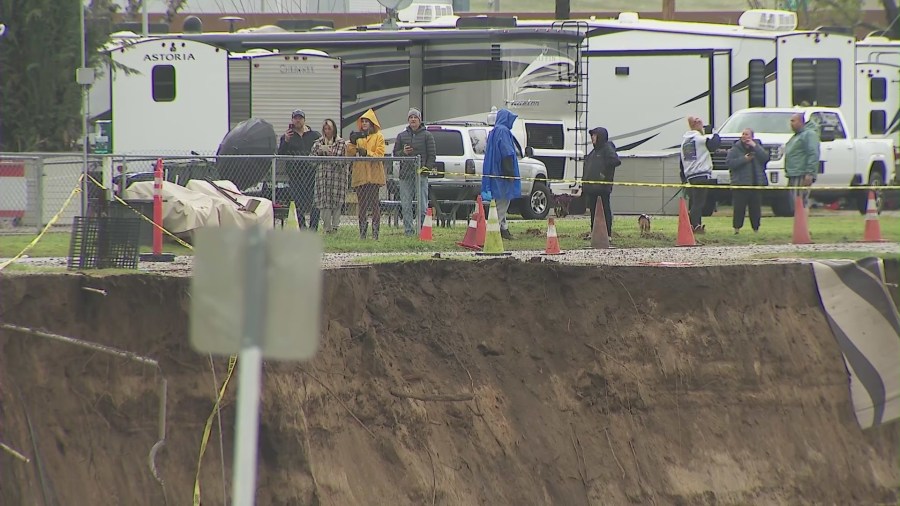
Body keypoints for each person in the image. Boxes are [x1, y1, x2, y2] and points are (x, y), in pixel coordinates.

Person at [393, 108, 436, 236]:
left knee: (422, 206)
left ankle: (423, 231)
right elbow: (395, 154)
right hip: (405, 176)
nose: (413, 119)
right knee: (406, 205)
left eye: (415, 117)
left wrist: (425, 170)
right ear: (408, 120)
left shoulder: (427, 135)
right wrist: (404, 153)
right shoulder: (402, 136)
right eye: (410, 117)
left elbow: (432, 155)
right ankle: (409, 232)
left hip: (421, 175)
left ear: (419, 120)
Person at [482, 108, 522, 241]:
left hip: (495, 172)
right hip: (502, 174)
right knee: (503, 202)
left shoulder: (494, 131)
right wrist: (509, 173)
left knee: (500, 201)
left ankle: (503, 228)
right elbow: (507, 153)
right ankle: (494, 230)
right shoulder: (504, 131)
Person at [278, 109, 321, 230]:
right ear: (292, 120)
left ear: (304, 120)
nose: (298, 120)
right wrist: (285, 141)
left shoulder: (315, 135)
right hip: (295, 175)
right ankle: (302, 227)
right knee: (297, 202)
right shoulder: (287, 136)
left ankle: (313, 228)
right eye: (295, 118)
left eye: (300, 118)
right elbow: (280, 154)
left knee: (315, 202)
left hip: (312, 173)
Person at [347, 109, 386, 240]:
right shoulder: (359, 137)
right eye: (362, 121)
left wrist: (367, 153)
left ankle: (375, 234)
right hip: (360, 174)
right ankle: (362, 234)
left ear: (372, 123)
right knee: (362, 204)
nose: (364, 123)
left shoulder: (379, 136)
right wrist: (352, 142)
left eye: (366, 121)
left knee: (374, 204)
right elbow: (350, 153)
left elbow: (380, 154)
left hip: (374, 175)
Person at [679, 116, 721, 233]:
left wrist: (683, 178)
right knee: (699, 203)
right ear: (697, 125)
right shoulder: (699, 139)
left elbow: (682, 162)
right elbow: (714, 145)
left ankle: (694, 224)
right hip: (701, 174)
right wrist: (716, 133)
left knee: (694, 202)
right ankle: (695, 226)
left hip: (691, 176)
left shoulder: (685, 141)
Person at [726, 128, 769, 234]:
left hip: (755, 183)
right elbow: (730, 163)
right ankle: (737, 229)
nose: (745, 137)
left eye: (747, 135)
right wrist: (744, 159)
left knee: (755, 209)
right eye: (743, 134)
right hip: (740, 184)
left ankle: (756, 229)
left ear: (752, 137)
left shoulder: (757, 147)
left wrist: (755, 146)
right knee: (739, 209)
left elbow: (765, 158)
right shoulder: (735, 149)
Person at [310, 119, 350, 234]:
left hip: (338, 178)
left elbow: (342, 161)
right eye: (325, 129)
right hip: (322, 178)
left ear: (334, 130)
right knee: (324, 203)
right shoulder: (318, 142)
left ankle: (335, 227)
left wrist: (331, 155)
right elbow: (311, 159)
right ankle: (327, 228)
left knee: (337, 203)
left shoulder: (340, 142)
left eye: (329, 129)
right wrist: (320, 153)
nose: (327, 131)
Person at [581, 126, 621, 239]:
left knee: (605, 210)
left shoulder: (607, 148)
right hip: (592, 188)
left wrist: (603, 174)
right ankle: (594, 232)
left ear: (601, 136)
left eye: (594, 135)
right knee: (593, 211)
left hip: (602, 188)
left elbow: (615, 161)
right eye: (592, 135)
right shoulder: (594, 152)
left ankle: (607, 234)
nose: (592, 138)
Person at [784, 112, 820, 214]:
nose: (791, 123)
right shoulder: (797, 135)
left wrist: (809, 173)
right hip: (793, 173)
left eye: (793, 121)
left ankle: (803, 228)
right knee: (795, 203)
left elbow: (813, 153)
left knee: (800, 202)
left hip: (801, 174)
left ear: (801, 122)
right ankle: (799, 227)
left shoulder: (809, 134)